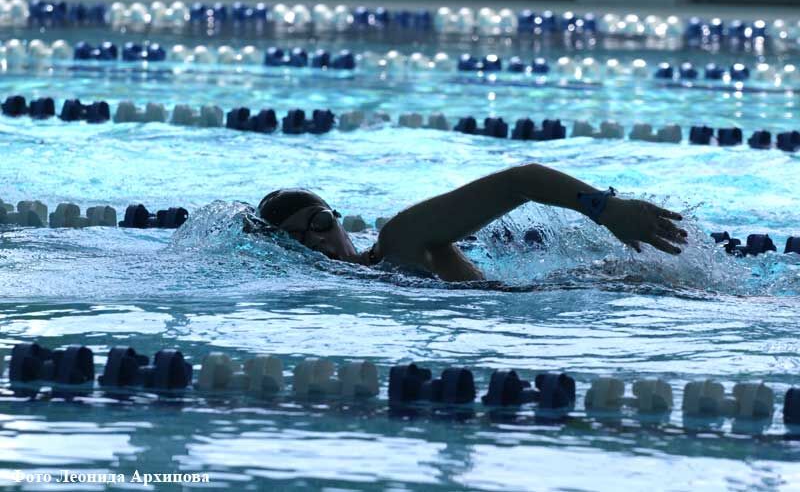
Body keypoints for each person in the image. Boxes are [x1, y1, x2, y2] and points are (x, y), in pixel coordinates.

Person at [246, 162, 687, 282]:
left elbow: (521, 181)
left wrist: (608, 210)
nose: (318, 242)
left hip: (591, 289)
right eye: (297, 239)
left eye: (321, 222)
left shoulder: (397, 242)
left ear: (338, 220)